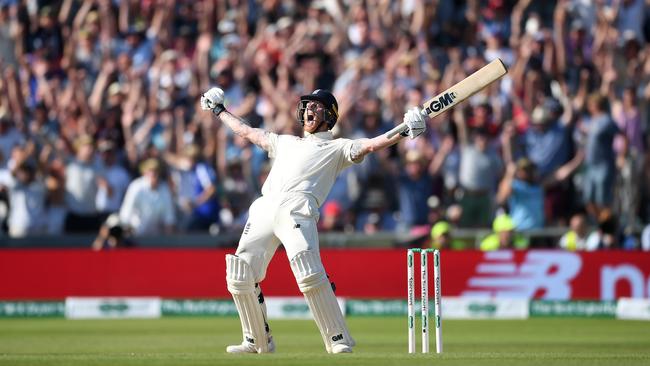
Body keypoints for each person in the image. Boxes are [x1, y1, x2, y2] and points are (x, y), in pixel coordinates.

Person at [200, 87, 425, 354]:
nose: (309, 109)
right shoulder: (285, 142)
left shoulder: (337, 148)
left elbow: (373, 143)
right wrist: (219, 110)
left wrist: (405, 129)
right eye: (307, 105)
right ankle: (257, 341)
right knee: (239, 274)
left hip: (298, 209)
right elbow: (247, 132)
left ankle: (338, 339)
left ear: (330, 115)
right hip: (264, 206)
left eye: (317, 107)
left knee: (308, 272)